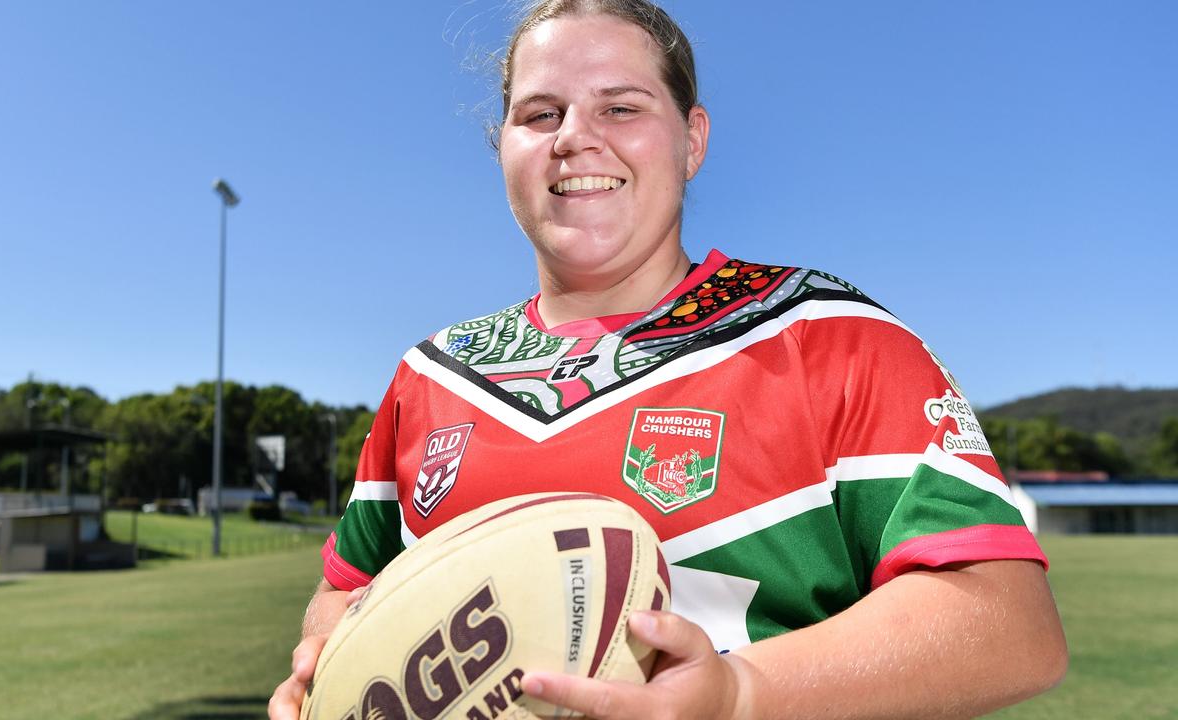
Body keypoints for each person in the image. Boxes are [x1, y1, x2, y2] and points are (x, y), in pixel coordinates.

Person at [269, 1, 1068, 717]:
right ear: (502, 147)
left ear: (692, 141)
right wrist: (328, 663)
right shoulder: (432, 375)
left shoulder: (826, 334)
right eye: (539, 114)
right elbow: (346, 590)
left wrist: (742, 691)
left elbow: (1007, 623)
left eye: (621, 106)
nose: (576, 137)